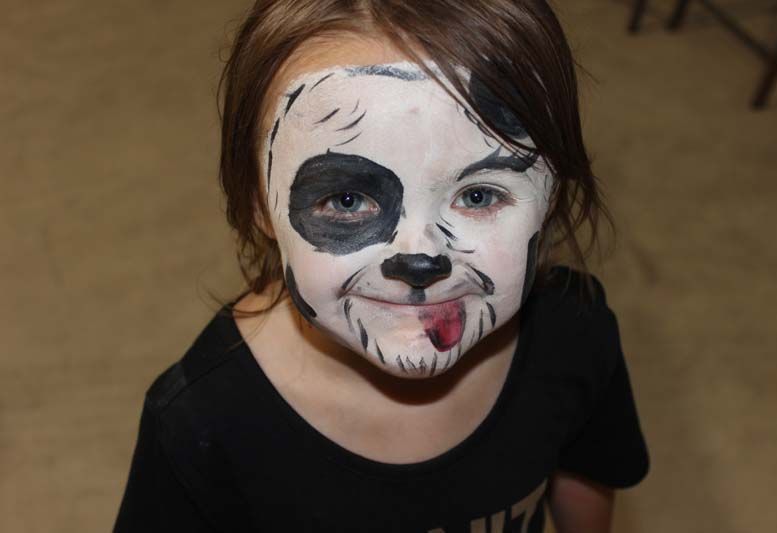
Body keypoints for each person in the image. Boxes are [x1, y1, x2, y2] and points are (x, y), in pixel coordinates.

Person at [113, 1, 649, 532]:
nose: (421, 258)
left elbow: (586, 490)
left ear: (552, 195)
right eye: (347, 200)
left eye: (479, 195)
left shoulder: (573, 335)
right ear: (259, 206)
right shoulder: (202, 420)